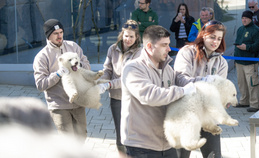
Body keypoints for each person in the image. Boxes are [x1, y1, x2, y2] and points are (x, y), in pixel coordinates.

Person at [121, 25, 197, 158]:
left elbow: (182, 80)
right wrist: (183, 91)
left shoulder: (167, 68)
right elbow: (151, 95)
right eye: (164, 45)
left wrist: (204, 83)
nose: (169, 49)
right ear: (149, 46)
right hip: (141, 145)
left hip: (167, 143)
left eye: (169, 44)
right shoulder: (133, 68)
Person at [174, 20, 227, 158]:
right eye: (212, 37)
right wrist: (205, 81)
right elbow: (181, 80)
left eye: (219, 38)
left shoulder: (222, 62)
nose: (215, 41)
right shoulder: (187, 52)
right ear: (203, 35)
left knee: (214, 155)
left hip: (208, 117)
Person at [33, 19, 91, 141]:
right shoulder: (42, 56)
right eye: (56, 33)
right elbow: (40, 84)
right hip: (58, 104)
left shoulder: (73, 47)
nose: (60, 36)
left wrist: (78, 66)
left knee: (81, 137)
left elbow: (87, 66)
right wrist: (58, 74)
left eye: (61, 32)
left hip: (78, 102)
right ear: (48, 35)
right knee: (68, 140)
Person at [98, 20, 142, 154]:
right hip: (116, 97)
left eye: (131, 36)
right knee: (120, 134)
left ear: (137, 37)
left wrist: (109, 84)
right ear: (122, 34)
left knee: (133, 132)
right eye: (126, 35)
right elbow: (107, 69)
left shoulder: (139, 52)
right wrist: (100, 81)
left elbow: (127, 78)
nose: (128, 39)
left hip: (133, 98)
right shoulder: (113, 48)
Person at [234, 11, 259, 112]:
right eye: (242, 18)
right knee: (241, 83)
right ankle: (244, 101)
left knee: (252, 83)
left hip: (250, 61)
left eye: (246, 18)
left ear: (251, 19)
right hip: (239, 61)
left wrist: (247, 47)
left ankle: (254, 104)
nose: (244, 20)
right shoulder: (240, 29)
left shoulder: (256, 30)